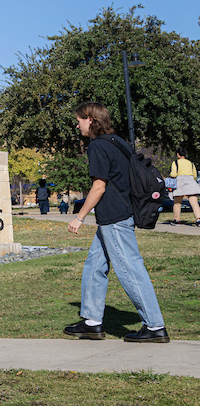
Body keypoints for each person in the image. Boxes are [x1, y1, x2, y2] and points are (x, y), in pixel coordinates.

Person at [64, 102, 168, 343]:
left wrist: (79, 218)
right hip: (117, 216)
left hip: (115, 218)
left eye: (79, 119)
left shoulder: (98, 146)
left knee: (130, 269)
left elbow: (99, 186)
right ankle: (91, 323)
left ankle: (154, 326)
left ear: (90, 119)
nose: (77, 124)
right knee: (94, 265)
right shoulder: (118, 142)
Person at [166, 148, 200, 226]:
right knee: (194, 202)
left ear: (178, 154)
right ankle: (198, 219)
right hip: (190, 181)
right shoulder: (190, 163)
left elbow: (173, 174)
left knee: (177, 202)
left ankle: (176, 220)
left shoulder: (175, 163)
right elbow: (194, 175)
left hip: (180, 181)